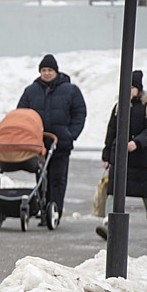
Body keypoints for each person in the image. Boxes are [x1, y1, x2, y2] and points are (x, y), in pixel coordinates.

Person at [17, 54, 87, 221]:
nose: (46, 73)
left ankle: (55, 211)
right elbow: (21, 113)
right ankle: (42, 210)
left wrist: (71, 134)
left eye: (49, 70)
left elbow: (80, 113)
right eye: (43, 70)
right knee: (42, 178)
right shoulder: (31, 91)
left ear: (56, 71)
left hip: (61, 143)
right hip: (38, 144)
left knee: (57, 179)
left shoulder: (70, 90)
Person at [95, 70, 147, 240]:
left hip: (144, 159)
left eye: (132, 87)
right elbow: (111, 131)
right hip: (121, 158)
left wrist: (137, 142)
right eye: (126, 87)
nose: (129, 90)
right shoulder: (119, 107)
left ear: (139, 89)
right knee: (113, 190)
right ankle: (109, 224)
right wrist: (106, 155)